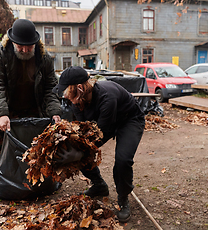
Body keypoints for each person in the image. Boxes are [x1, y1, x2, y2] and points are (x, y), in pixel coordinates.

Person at [0, 19, 62, 198]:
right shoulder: (0, 53)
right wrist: (1, 114)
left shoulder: (44, 57)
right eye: (20, 46)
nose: (24, 50)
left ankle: (38, 178)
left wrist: (54, 111)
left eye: (28, 46)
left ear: (35, 43)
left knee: (35, 144)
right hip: (4, 105)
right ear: (12, 41)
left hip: (32, 106)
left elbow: (50, 87)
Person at [53, 66, 145, 223]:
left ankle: (123, 198)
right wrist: (75, 147)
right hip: (106, 121)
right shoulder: (78, 100)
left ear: (80, 88)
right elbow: (83, 131)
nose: (65, 96)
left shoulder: (107, 98)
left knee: (123, 160)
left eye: (67, 91)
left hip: (129, 120)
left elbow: (100, 133)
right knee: (79, 148)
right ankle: (99, 185)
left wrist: (82, 150)